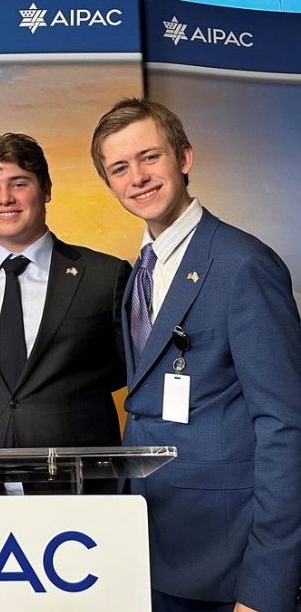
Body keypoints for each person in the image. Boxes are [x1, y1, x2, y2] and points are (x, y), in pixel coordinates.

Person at [90, 97, 301, 612]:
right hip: (152, 539)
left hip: (225, 559)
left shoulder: (243, 263)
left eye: (149, 157)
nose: (137, 177)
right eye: (119, 168)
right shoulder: (141, 269)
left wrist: (265, 585)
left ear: (183, 157)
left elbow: (286, 425)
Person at [0, 132, 130, 451]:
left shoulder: (105, 276)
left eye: (19, 183)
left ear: (45, 189)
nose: (5, 198)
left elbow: (129, 374)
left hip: (81, 485)